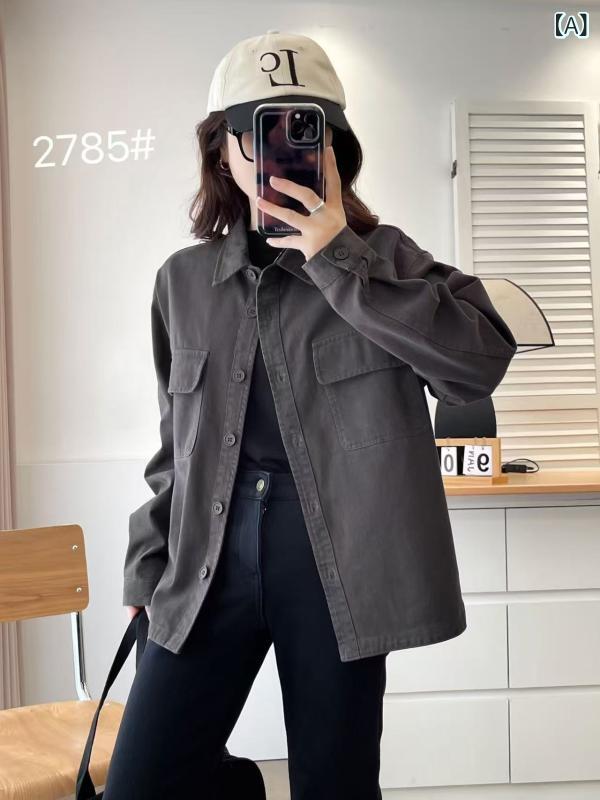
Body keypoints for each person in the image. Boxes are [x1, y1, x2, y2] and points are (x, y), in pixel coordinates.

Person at [103, 29, 517, 800]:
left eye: (305, 131)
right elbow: (175, 448)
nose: (279, 154)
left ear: (335, 150)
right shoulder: (182, 283)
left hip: (340, 564)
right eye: (258, 132)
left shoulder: (385, 259)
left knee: (335, 784)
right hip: (208, 556)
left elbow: (477, 365)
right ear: (222, 152)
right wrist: (147, 559)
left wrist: (338, 258)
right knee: (140, 782)